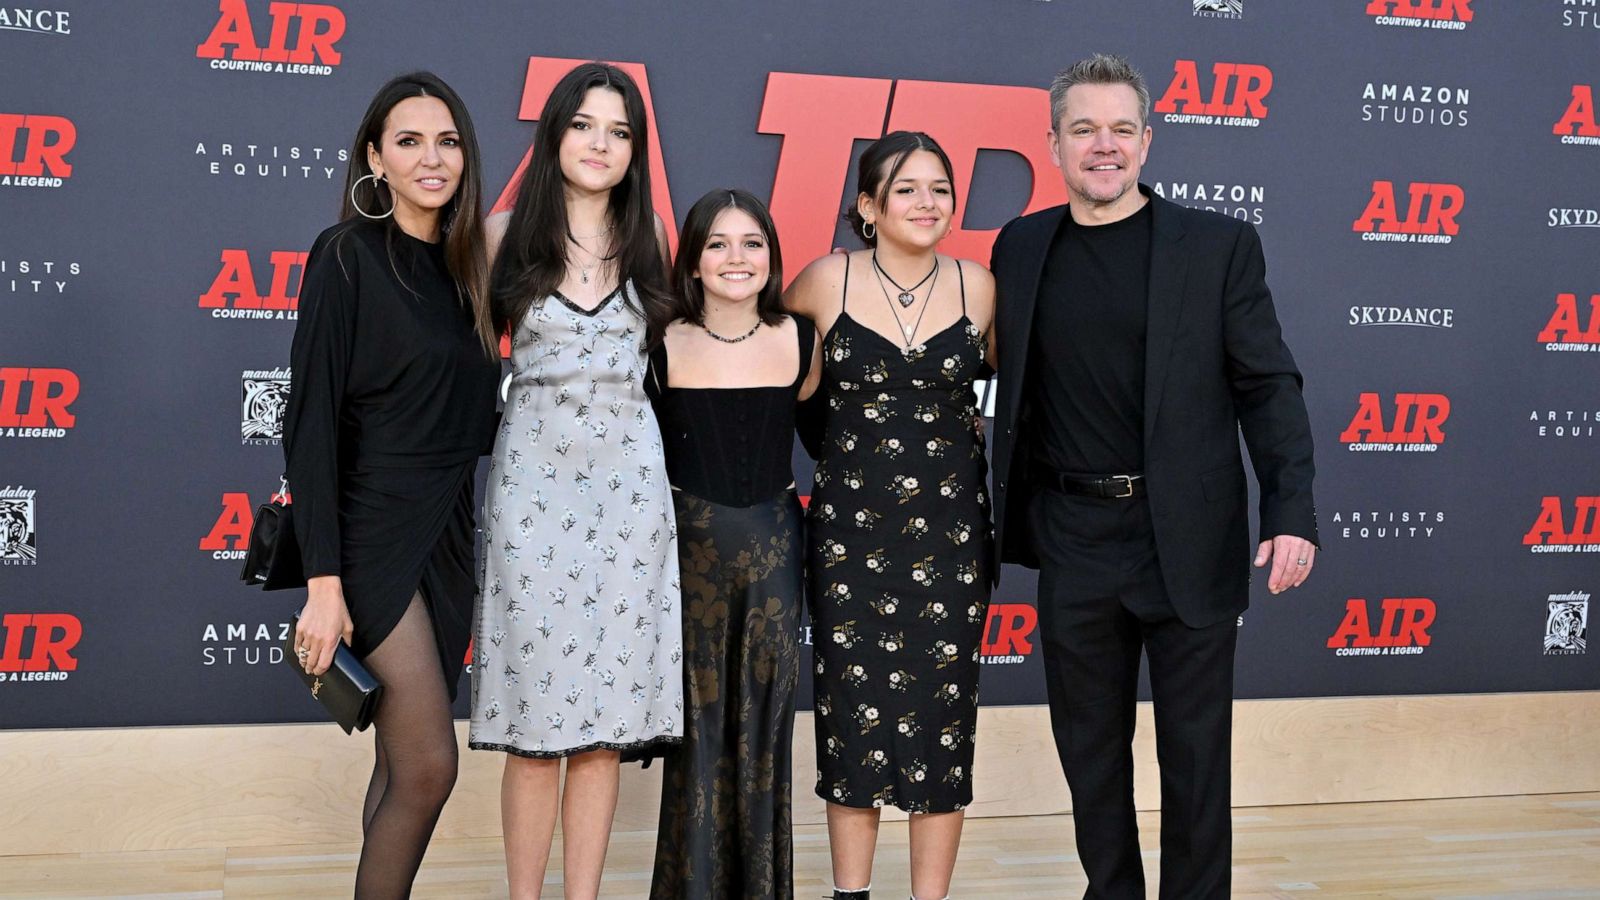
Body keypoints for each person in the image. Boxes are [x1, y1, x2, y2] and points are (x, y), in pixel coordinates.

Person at [988, 53, 1319, 899]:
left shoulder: (1217, 246)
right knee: (1090, 761)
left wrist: (1291, 508)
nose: (1105, 146)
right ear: (1054, 142)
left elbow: (1267, 384)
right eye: (1085, 129)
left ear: (1148, 141)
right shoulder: (1021, 247)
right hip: (1073, 536)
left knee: (1196, 763)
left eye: (1122, 130)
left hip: (1188, 537)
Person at [469, 61, 682, 900]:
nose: (601, 143)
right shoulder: (497, 237)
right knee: (533, 728)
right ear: (555, 132)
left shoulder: (653, 234)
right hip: (531, 493)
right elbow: (458, 369)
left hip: (631, 498)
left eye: (620, 131)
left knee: (602, 729)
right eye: (586, 124)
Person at [285, 71, 500, 899]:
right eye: (408, 141)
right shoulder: (345, 256)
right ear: (375, 157)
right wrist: (323, 583)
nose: (431, 158)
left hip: (449, 532)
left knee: (396, 767)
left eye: (446, 141)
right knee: (428, 768)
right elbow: (308, 427)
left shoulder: (469, 270)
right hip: (373, 533)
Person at [786, 132, 996, 900]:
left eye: (940, 188)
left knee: (943, 727)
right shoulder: (822, 281)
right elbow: (779, 379)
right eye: (906, 189)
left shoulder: (980, 286)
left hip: (950, 540)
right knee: (853, 722)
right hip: (849, 534)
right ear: (869, 207)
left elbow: (1013, 396)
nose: (927, 203)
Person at [643, 188, 823, 900]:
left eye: (752, 243)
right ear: (691, 260)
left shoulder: (803, 340)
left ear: (773, 256)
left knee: (764, 731)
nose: (736, 258)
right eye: (718, 243)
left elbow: (834, 443)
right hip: (688, 562)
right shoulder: (657, 345)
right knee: (698, 727)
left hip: (777, 556)